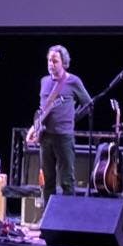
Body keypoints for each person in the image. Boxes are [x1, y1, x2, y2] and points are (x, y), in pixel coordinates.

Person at [35, 44, 93, 205]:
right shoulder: (44, 81)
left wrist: (73, 117)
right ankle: (47, 219)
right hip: (45, 137)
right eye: (49, 60)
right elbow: (42, 108)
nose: (51, 64)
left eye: (55, 61)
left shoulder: (73, 81)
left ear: (64, 63)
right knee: (47, 182)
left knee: (67, 181)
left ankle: (67, 220)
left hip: (64, 137)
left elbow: (88, 104)